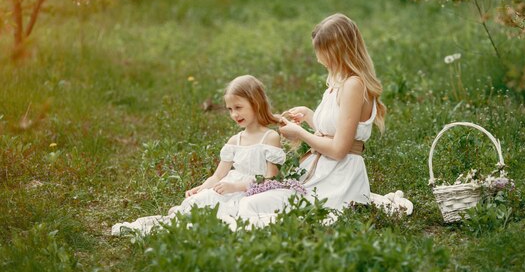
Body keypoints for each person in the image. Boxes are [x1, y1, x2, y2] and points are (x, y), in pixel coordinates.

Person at [236, 13, 386, 226]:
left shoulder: (353, 85)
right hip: (322, 173)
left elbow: (339, 148)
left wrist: (300, 134)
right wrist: (308, 115)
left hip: (339, 179)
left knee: (257, 209)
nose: (318, 59)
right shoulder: (338, 83)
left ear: (337, 51)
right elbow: (336, 130)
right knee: (249, 204)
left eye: (321, 52)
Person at [111, 75, 285, 235]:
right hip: (227, 187)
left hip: (251, 192)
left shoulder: (269, 137)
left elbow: (270, 180)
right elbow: (218, 175)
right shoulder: (235, 141)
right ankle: (181, 214)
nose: (234, 114)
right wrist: (201, 189)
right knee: (200, 200)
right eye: (230, 109)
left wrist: (236, 187)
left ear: (256, 103)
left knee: (222, 214)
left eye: (238, 107)